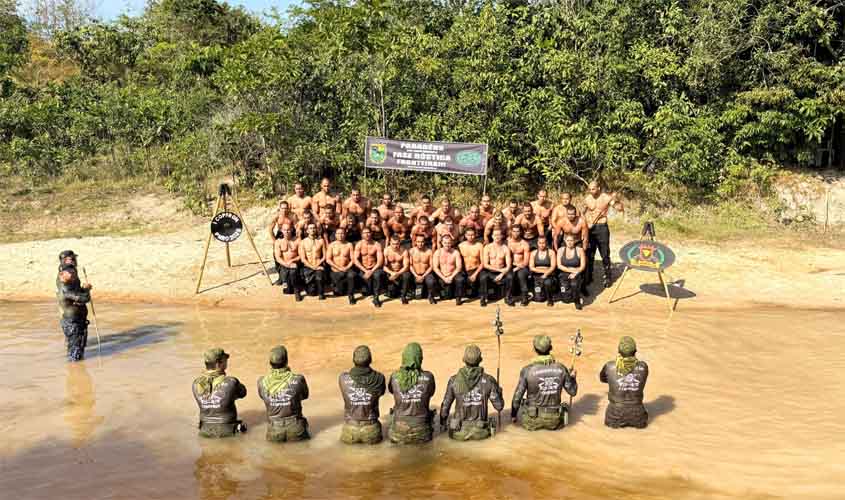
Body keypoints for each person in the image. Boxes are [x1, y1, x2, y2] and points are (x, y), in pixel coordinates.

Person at [511, 335, 577, 431]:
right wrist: (573, 378)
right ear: (550, 348)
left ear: (534, 349)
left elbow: (517, 397)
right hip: (554, 421)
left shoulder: (527, 370)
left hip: (531, 421)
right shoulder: (561, 368)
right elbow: (572, 392)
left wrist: (513, 416)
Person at [439, 345, 504, 441]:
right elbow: (499, 406)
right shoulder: (489, 380)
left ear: (464, 359)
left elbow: (445, 408)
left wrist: (442, 424)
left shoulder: (453, 380)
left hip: (458, 434)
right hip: (480, 433)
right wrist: (499, 391)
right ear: (480, 360)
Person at [257, 346, 310, 442]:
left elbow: (263, 397)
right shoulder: (298, 379)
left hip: (274, 430)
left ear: (270, 363)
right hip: (296, 428)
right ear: (286, 361)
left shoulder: (261, 382)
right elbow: (305, 396)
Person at [192, 348, 247, 438]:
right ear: (218, 363)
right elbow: (243, 393)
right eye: (225, 360)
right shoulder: (231, 382)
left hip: (204, 431)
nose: (227, 362)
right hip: (227, 432)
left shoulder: (195, 383)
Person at [388, 343, 436, 444]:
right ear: (420, 358)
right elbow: (431, 393)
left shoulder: (394, 376)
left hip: (398, 433)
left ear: (404, 358)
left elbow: (392, 391)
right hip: (423, 433)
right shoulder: (429, 377)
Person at [339, 345, 387, 445]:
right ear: (370, 359)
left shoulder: (343, 378)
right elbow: (381, 393)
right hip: (371, 430)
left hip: (350, 430)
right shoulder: (379, 378)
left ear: (353, 359)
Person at [599, 336, 649, 429]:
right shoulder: (644, 367)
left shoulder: (609, 366)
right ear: (635, 351)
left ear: (619, 351)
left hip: (614, 415)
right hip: (638, 415)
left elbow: (602, 379)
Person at [583, 180, 622, 289]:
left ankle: (608, 276)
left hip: (601, 228)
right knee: (589, 254)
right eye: (590, 189)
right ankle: (589, 276)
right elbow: (583, 212)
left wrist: (615, 200)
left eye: (593, 189)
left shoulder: (606, 198)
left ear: (599, 188)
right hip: (590, 228)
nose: (591, 191)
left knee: (604, 254)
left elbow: (619, 208)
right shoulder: (588, 198)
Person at [57, 264, 91, 362]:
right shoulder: (65, 289)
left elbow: (78, 294)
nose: (74, 274)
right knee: (75, 354)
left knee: (80, 348)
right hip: (72, 324)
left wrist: (83, 289)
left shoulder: (71, 283)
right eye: (70, 272)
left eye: (74, 271)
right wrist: (86, 290)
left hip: (79, 321)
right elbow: (85, 298)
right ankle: (75, 372)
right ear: (61, 274)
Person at [479, 228, 512, 307]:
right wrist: (500, 270)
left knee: (510, 276)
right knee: (483, 277)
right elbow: (485, 264)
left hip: (502, 271)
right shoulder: (487, 247)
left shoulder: (505, 248)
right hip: (490, 270)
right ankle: (483, 297)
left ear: (502, 236)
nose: (497, 237)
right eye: (495, 235)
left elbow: (509, 265)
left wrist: (502, 273)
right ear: (492, 236)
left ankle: (508, 297)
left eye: (499, 235)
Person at [353, 227, 386, 307]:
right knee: (366, 292)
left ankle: (376, 298)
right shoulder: (359, 244)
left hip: (374, 268)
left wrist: (371, 271)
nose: (367, 234)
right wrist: (365, 270)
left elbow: (380, 261)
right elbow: (355, 260)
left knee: (377, 275)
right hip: (363, 268)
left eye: (368, 232)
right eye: (364, 233)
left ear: (371, 233)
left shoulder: (376, 244)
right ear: (362, 234)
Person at [327, 228, 357, 304]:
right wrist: (338, 268)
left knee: (352, 275)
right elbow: (328, 259)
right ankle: (336, 286)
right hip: (335, 270)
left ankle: (351, 295)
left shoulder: (349, 244)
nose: (340, 235)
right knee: (339, 293)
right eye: (338, 233)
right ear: (335, 235)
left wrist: (346, 268)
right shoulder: (331, 245)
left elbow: (353, 259)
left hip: (347, 268)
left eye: (342, 233)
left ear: (345, 234)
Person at [432, 234, 465, 305]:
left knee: (460, 279)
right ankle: (432, 296)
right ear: (441, 243)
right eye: (445, 243)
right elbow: (435, 268)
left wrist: (451, 277)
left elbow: (459, 267)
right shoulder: (438, 252)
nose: (447, 245)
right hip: (442, 275)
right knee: (446, 296)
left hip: (453, 275)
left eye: (449, 243)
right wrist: (444, 278)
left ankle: (458, 298)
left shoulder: (455, 252)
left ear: (452, 243)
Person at [273, 223, 302, 301]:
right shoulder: (278, 242)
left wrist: (293, 261)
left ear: (292, 230)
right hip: (284, 265)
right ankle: (289, 286)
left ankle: (297, 291)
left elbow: (301, 255)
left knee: (293, 271)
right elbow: (278, 257)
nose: (287, 232)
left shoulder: (297, 240)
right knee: (287, 291)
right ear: (281, 230)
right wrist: (286, 264)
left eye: (288, 230)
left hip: (295, 264)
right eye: (285, 230)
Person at [557, 233, 586, 309]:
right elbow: (559, 265)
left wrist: (576, 272)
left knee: (574, 284)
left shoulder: (580, 250)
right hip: (563, 273)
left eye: (571, 240)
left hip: (577, 272)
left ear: (575, 241)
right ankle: (567, 293)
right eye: (568, 240)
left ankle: (577, 301)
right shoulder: (560, 250)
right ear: (565, 241)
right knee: (566, 300)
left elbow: (583, 266)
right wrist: (571, 270)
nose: (569, 242)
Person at [300, 222, 327, 300]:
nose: (312, 230)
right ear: (307, 231)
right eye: (310, 228)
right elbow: (303, 259)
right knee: (311, 292)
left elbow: (324, 256)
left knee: (319, 276)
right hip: (308, 267)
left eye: (314, 228)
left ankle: (321, 294)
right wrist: (313, 267)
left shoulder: (321, 241)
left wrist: (318, 265)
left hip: (318, 264)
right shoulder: (303, 242)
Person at [506, 225, 531, 306]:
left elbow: (526, 262)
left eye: (517, 231)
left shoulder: (524, 244)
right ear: (511, 232)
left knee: (521, 274)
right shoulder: (507, 243)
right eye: (514, 231)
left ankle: (524, 297)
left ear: (520, 232)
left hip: (522, 266)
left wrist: (516, 268)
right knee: (510, 276)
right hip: (510, 266)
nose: (516, 233)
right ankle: (508, 297)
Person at [529, 236, 557, 307]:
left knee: (547, 282)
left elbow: (553, 266)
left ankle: (550, 299)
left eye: (543, 243)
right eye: (540, 243)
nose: (542, 245)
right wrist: (543, 270)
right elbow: (531, 267)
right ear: (537, 243)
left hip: (548, 275)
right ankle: (541, 293)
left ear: (546, 243)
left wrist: (546, 273)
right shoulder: (533, 253)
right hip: (537, 277)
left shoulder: (551, 252)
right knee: (539, 299)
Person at [384, 234, 412, 304]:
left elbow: (406, 266)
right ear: (390, 242)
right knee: (392, 294)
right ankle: (390, 290)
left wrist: (397, 273)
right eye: (393, 244)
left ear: (400, 243)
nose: (395, 246)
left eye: (397, 244)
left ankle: (403, 296)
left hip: (400, 272)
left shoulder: (404, 251)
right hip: (390, 274)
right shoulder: (386, 251)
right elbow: (383, 266)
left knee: (407, 275)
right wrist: (391, 273)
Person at [409, 234, 437, 303]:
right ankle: (414, 291)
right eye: (418, 241)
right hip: (416, 275)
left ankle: (431, 296)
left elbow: (431, 266)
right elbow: (410, 265)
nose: (420, 244)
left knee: (431, 281)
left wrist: (423, 276)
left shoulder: (429, 251)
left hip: (426, 274)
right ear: (415, 242)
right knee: (418, 297)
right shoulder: (411, 251)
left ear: (424, 242)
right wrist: (416, 276)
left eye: (422, 242)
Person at [458, 227, 484, 301]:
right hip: (465, 271)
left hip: (476, 269)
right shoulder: (460, 246)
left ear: (475, 235)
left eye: (472, 235)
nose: (471, 237)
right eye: (469, 235)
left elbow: (482, 262)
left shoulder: (479, 245)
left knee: (483, 277)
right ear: (465, 235)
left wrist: (475, 274)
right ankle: (459, 297)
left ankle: (483, 297)